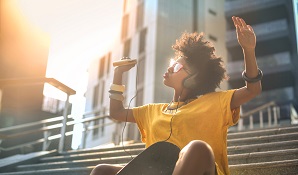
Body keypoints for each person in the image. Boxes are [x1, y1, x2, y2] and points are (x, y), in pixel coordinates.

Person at [90, 16, 262, 175]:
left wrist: (248, 50)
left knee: (197, 148)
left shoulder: (215, 102)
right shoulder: (152, 111)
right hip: (159, 170)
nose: (170, 68)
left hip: (201, 169)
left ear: (194, 78)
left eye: (178, 67)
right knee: (101, 171)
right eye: (172, 63)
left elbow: (252, 90)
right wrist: (118, 74)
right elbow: (116, 112)